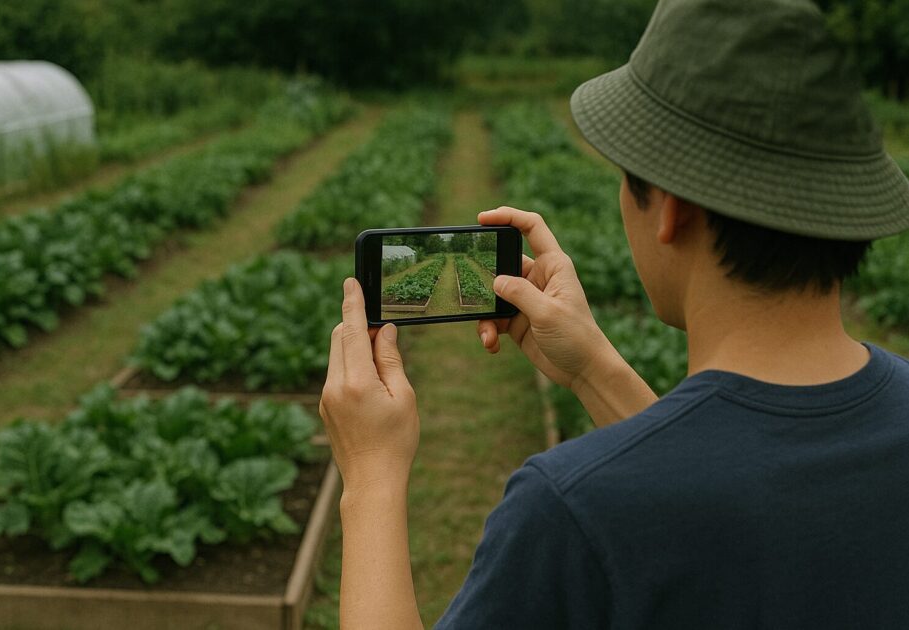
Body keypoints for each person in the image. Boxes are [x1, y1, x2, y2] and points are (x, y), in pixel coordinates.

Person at [318, 0, 909, 627]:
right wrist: (593, 369)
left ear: (671, 210)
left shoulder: (576, 512)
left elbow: (696, 494)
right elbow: (735, 504)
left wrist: (372, 475)